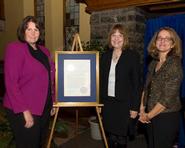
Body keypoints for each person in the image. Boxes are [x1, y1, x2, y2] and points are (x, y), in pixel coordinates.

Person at [3, 16, 55, 148]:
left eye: (36, 29)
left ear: (40, 32)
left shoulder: (45, 51)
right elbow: (11, 83)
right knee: (28, 144)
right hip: (24, 108)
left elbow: (51, 77)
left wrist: (53, 101)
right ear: (23, 31)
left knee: (39, 142)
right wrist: (24, 111)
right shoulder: (15, 48)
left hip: (44, 106)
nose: (33, 33)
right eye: (29, 29)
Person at [139, 27, 183, 148]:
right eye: (160, 38)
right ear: (155, 41)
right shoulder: (154, 62)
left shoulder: (174, 64)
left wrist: (148, 116)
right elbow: (146, 88)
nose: (162, 41)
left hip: (166, 117)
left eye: (167, 39)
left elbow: (166, 99)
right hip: (150, 115)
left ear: (173, 44)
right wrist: (142, 109)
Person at [100, 24, 141, 148]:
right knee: (111, 136)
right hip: (108, 103)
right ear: (110, 38)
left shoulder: (132, 56)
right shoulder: (105, 56)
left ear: (125, 38)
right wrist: (100, 103)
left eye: (120, 35)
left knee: (122, 137)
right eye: (114, 35)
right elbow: (101, 82)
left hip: (125, 104)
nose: (116, 38)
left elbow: (137, 84)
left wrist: (135, 107)